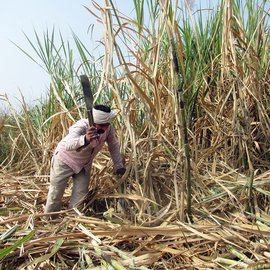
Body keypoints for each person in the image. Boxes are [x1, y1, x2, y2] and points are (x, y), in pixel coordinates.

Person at [44, 104, 126, 213]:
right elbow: (68, 144)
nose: (105, 128)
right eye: (101, 125)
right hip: (64, 161)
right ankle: (49, 220)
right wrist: (86, 139)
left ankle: (74, 221)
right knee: (56, 193)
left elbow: (113, 145)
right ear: (94, 122)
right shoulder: (81, 126)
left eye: (107, 125)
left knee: (80, 196)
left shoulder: (108, 129)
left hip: (84, 165)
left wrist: (118, 164)